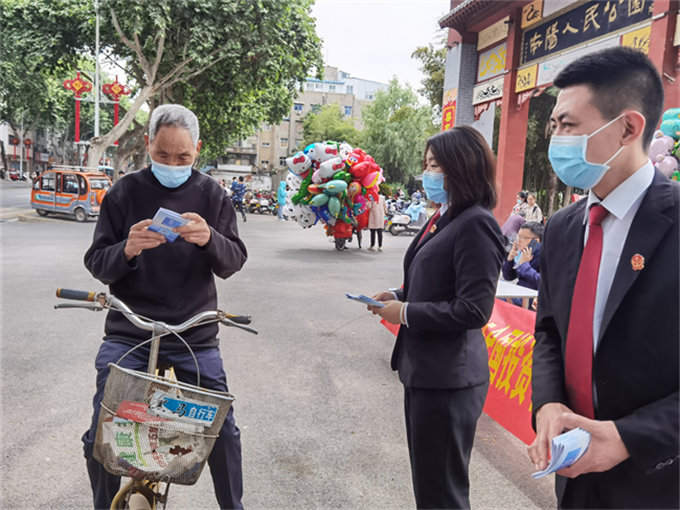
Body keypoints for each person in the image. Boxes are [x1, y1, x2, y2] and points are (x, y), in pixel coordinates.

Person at [528, 47, 679, 509]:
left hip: (658, 478)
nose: (556, 139)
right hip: (573, 471)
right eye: (554, 126)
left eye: (569, 125)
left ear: (628, 128)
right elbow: (549, 332)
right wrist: (548, 403)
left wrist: (628, 437)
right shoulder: (562, 227)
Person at [82, 104, 248, 510]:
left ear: (198, 150)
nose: (173, 164)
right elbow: (97, 263)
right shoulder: (124, 193)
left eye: (183, 157)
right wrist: (127, 249)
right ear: (147, 144)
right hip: (130, 333)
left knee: (222, 430)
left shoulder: (212, 195)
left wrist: (210, 239)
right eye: (162, 155)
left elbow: (233, 262)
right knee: (102, 430)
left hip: (194, 334)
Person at [368, 126, 504, 509]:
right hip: (424, 370)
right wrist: (398, 295)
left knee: (442, 492)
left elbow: (474, 309)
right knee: (430, 487)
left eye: (435, 165)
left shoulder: (476, 223)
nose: (427, 173)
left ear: (462, 167)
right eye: (427, 164)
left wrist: (405, 312)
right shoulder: (444, 217)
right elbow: (435, 280)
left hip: (448, 378)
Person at [502, 221, 542, 307]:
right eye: (518, 236)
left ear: (535, 241)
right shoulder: (523, 253)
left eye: (523, 237)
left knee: (493, 297)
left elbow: (543, 282)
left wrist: (525, 265)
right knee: (494, 285)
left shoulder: (544, 256)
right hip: (520, 291)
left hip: (532, 297)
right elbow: (508, 277)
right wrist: (509, 260)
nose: (518, 240)